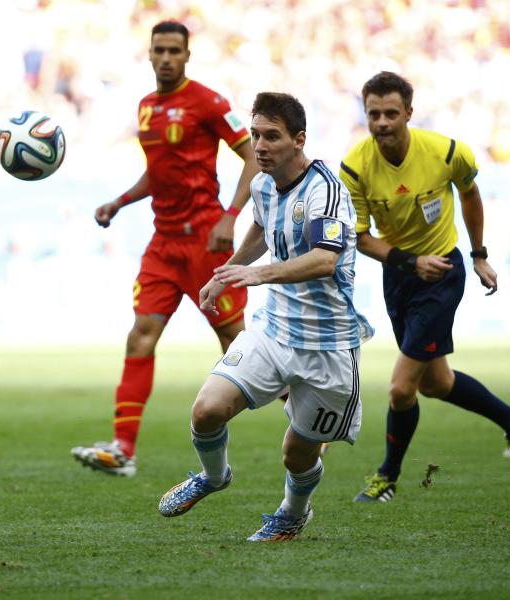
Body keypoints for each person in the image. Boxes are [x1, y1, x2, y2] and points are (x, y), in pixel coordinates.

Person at [157, 92, 372, 541]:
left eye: (271, 137)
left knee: (296, 453)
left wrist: (254, 274)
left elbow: (323, 260)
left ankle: (294, 512)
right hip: (273, 331)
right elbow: (262, 223)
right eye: (255, 135)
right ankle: (214, 477)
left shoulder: (325, 190)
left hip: (327, 346)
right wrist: (227, 272)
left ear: (299, 140)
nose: (260, 146)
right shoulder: (263, 182)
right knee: (206, 410)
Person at [338, 72, 510, 503]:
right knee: (435, 383)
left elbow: (470, 194)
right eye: (373, 114)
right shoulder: (355, 166)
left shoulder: (447, 152)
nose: (382, 123)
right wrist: (411, 262)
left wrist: (479, 254)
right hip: (400, 277)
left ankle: (386, 478)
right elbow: (361, 238)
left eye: (391, 113)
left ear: (409, 113)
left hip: (443, 275)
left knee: (399, 388)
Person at [71, 20, 258, 476]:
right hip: (163, 244)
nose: (168, 57)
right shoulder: (147, 107)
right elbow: (159, 172)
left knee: (238, 343)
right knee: (141, 335)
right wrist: (119, 201)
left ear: (188, 56)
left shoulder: (209, 102)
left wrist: (229, 217)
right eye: (160, 50)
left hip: (204, 243)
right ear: (150, 54)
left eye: (176, 50)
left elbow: (253, 155)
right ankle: (122, 449)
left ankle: (309, 423)